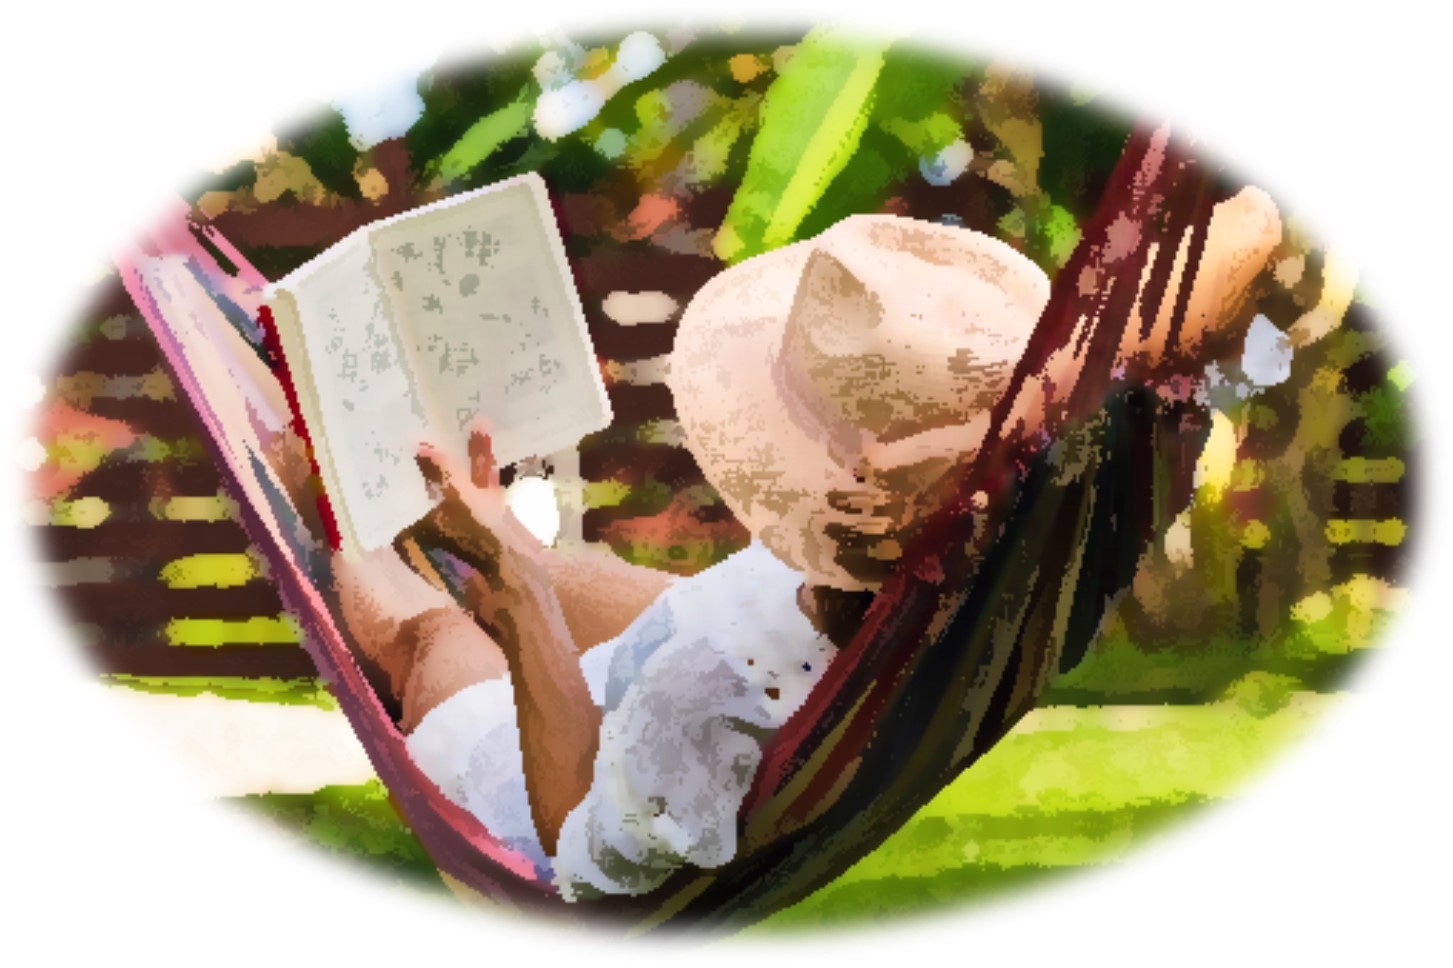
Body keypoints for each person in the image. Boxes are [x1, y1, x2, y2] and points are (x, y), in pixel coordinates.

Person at [334, 197, 1282, 899]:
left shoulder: (698, 700)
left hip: (550, 779)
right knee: (538, 571)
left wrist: (514, 597)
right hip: (712, 642)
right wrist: (1001, 422)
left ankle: (332, 500)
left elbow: (584, 856)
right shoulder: (992, 538)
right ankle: (455, 528)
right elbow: (1253, 227)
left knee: (431, 638)